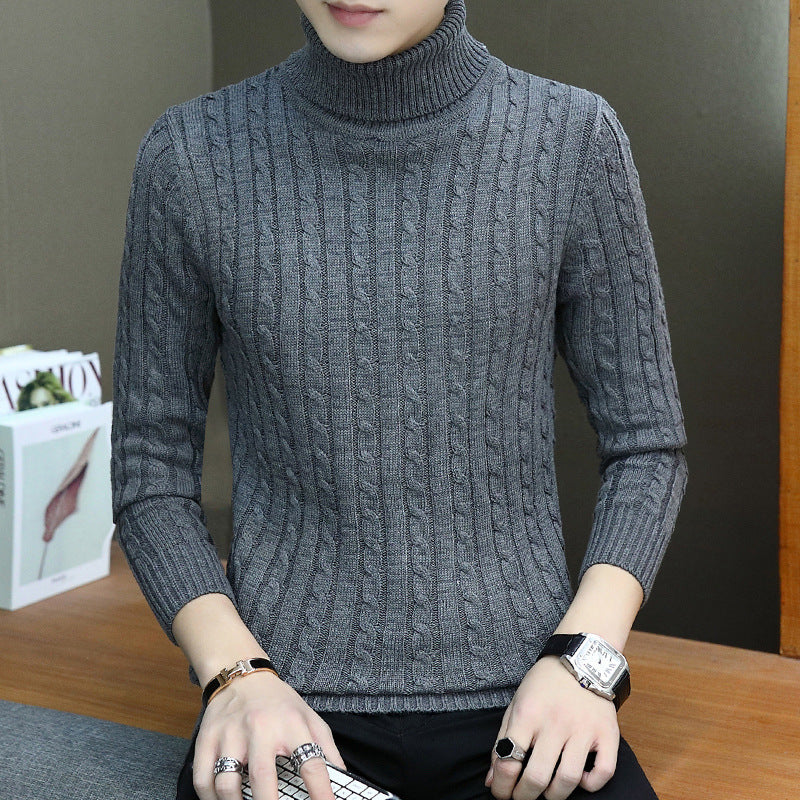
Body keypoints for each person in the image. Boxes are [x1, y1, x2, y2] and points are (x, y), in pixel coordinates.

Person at [111, 1, 688, 799]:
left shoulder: (573, 139)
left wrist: (584, 664)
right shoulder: (189, 155)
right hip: (283, 706)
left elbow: (647, 445)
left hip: (532, 696)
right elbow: (149, 471)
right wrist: (235, 677)